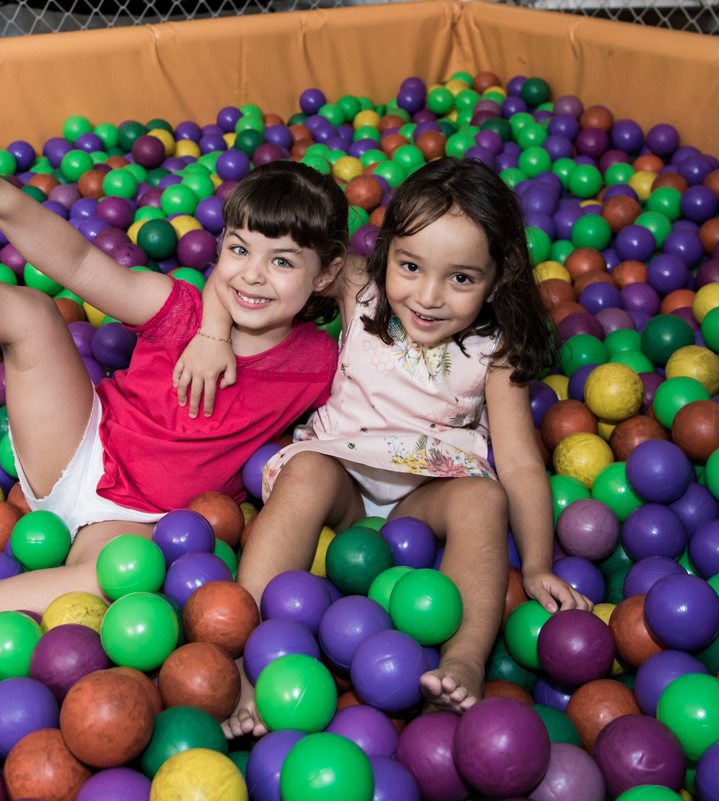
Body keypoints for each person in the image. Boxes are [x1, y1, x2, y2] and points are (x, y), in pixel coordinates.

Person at [0, 126, 346, 669]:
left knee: (118, 580)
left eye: (282, 262)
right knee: (31, 313)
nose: (251, 276)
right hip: (79, 445)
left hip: (138, 524)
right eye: (239, 249)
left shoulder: (321, 361)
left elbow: (387, 293)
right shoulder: (180, 311)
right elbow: (78, 262)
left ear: (326, 275)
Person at [173, 157, 592, 735]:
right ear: (385, 251)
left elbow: (520, 463)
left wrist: (540, 563)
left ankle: (463, 662)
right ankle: (245, 657)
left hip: (426, 493)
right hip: (344, 472)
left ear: (498, 278)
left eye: (462, 278)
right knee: (308, 470)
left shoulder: (496, 351)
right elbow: (244, 272)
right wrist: (212, 334)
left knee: (484, 499)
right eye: (411, 266)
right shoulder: (356, 287)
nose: (428, 295)